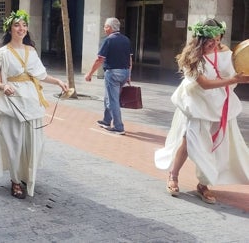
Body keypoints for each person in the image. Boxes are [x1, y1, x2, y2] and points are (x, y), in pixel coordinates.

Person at [154, 18, 249, 204]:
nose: (214, 44)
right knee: (189, 141)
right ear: (200, 40)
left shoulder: (226, 53)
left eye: (218, 40)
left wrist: (240, 76)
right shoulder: (192, 57)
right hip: (196, 104)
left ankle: (203, 184)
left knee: (211, 144)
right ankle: (173, 175)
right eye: (209, 41)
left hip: (219, 105)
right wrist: (233, 80)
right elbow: (204, 84)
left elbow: (235, 71)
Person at [0, 10, 68, 199]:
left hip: (32, 102)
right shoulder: (3, 53)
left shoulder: (31, 51)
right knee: (14, 144)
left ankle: (26, 175)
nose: (21, 28)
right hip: (12, 104)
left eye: (24, 25)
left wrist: (58, 82)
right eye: (17, 25)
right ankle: (15, 181)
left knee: (32, 143)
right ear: (10, 29)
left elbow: (40, 75)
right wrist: (4, 86)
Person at [84, 17, 133, 135]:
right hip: (124, 72)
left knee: (113, 100)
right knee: (109, 97)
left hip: (113, 73)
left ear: (110, 28)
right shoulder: (126, 40)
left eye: (105, 26)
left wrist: (89, 74)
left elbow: (99, 59)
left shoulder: (108, 40)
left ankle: (118, 126)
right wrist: (129, 75)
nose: (104, 29)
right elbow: (130, 59)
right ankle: (106, 120)